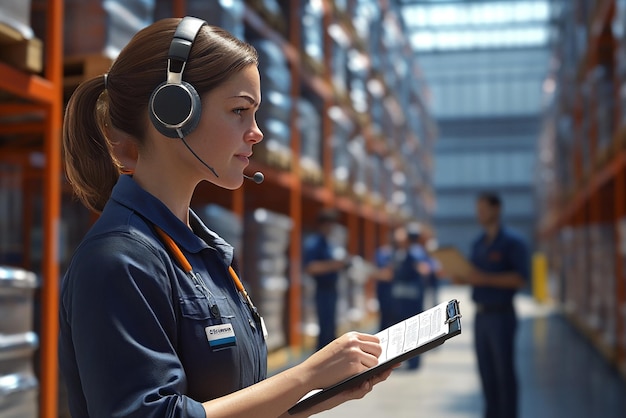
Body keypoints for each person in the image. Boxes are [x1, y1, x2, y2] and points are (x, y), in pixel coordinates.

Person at [59, 16, 393, 418]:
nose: (257, 133)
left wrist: (318, 394)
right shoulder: (119, 262)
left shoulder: (205, 255)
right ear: (173, 110)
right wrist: (305, 375)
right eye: (239, 110)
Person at [457, 192, 530, 418]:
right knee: (486, 373)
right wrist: (461, 276)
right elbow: (474, 275)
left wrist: (484, 278)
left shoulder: (513, 243)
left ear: (496, 209)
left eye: (483, 209)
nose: (479, 214)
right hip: (481, 317)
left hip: (502, 316)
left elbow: (520, 279)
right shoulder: (478, 244)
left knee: (503, 373)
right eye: (477, 209)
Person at [302, 208, 351, 351]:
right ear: (323, 224)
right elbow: (310, 267)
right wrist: (334, 265)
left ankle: (332, 356)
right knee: (324, 326)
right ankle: (322, 357)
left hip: (332, 289)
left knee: (331, 326)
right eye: (330, 224)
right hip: (322, 290)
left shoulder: (329, 243)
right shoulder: (314, 243)